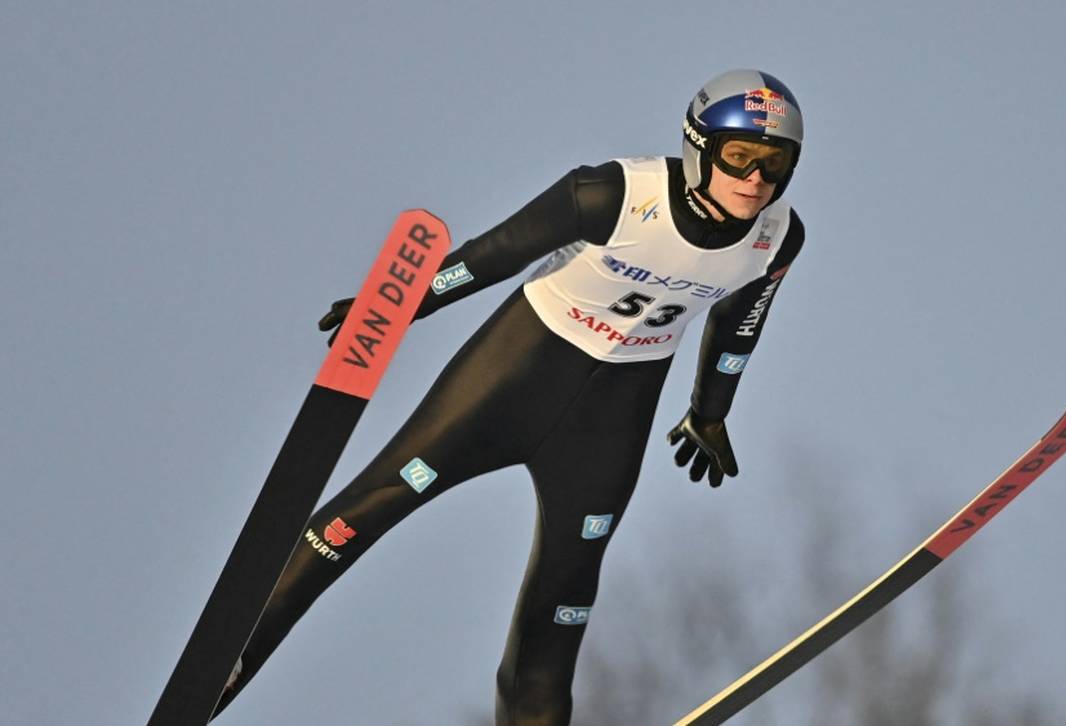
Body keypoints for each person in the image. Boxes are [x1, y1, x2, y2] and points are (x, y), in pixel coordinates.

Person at [214, 68, 807, 726]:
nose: (756, 179)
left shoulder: (778, 236)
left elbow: (740, 323)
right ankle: (226, 667)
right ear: (700, 148)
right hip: (516, 376)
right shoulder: (613, 191)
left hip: (612, 417)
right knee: (364, 511)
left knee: (564, 603)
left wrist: (710, 413)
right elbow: (492, 255)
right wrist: (394, 307)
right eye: (740, 157)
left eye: (774, 163)